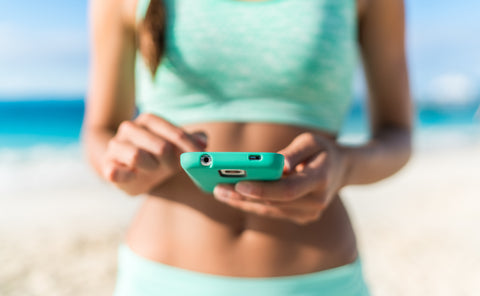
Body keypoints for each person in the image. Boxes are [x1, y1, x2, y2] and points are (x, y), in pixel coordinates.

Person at [83, 0, 412, 295]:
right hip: (160, 279)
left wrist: (345, 164)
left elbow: (398, 134)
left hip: (319, 282)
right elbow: (99, 132)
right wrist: (121, 163)